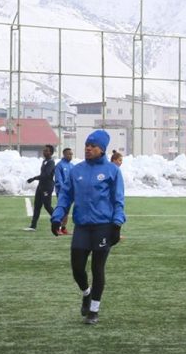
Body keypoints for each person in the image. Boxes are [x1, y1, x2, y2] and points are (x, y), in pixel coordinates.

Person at [50, 130, 125, 325]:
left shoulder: (112, 171)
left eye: (93, 146)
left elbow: (118, 200)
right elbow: (65, 196)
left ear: (102, 149)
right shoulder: (77, 171)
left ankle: (94, 310)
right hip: (82, 226)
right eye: (86, 145)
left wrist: (117, 224)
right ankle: (86, 293)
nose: (88, 148)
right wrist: (57, 217)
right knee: (77, 268)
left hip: (103, 226)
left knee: (97, 269)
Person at [24, 144, 56, 231]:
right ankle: (33, 226)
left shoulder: (51, 162)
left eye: (46, 150)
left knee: (47, 206)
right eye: (44, 150)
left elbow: (46, 175)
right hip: (41, 186)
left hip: (47, 187)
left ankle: (58, 222)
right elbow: (43, 175)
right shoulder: (44, 161)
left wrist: (34, 178)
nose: (44, 152)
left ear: (51, 152)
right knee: (37, 205)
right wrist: (35, 179)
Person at [54, 147, 74, 235]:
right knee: (62, 209)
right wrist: (64, 190)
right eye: (69, 154)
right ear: (64, 154)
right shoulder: (59, 165)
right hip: (62, 192)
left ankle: (63, 228)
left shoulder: (72, 166)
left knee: (67, 211)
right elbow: (59, 180)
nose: (71, 155)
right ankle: (57, 228)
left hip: (70, 193)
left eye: (71, 154)